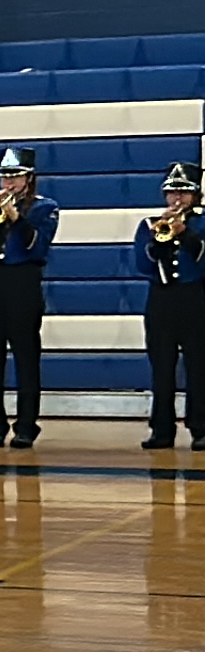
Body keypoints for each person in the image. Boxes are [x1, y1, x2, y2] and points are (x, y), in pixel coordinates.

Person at [0, 145, 60, 449]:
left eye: (15, 177)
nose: (8, 183)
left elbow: (38, 246)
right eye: (4, 176)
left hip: (23, 283)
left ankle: (25, 425)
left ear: (29, 178)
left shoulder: (45, 207)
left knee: (25, 356)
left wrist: (17, 218)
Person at [140, 164, 205, 449]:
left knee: (199, 366)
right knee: (162, 366)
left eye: (183, 192)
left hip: (196, 298)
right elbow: (142, 265)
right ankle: (161, 429)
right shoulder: (149, 224)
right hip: (161, 300)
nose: (177, 198)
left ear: (195, 195)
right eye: (172, 192)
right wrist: (160, 239)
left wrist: (186, 234)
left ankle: (201, 428)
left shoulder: (202, 223)